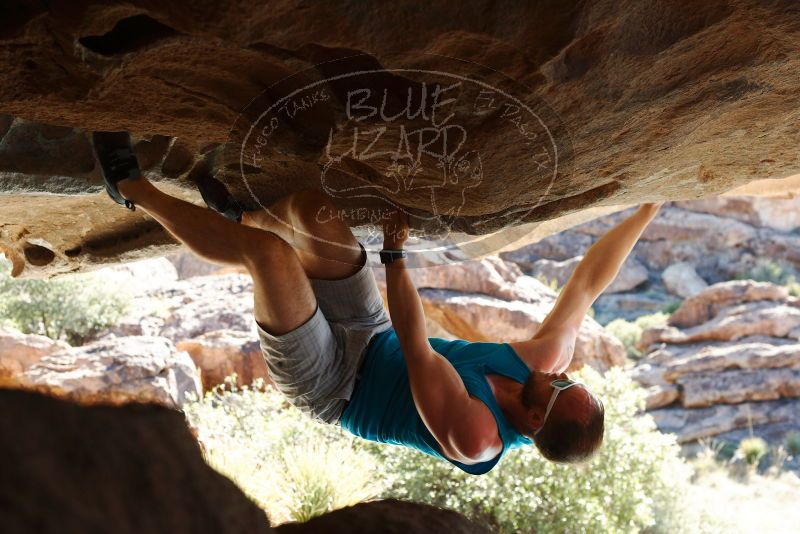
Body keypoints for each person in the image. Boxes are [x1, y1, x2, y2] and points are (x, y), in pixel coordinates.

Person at [91, 131, 663, 474]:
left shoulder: (476, 436)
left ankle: (131, 188)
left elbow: (418, 350)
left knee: (271, 258)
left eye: (561, 386)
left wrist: (393, 255)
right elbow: (588, 284)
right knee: (315, 213)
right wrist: (648, 207)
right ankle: (237, 215)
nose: (561, 374)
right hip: (371, 334)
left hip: (332, 383)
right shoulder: (539, 366)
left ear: (536, 419)